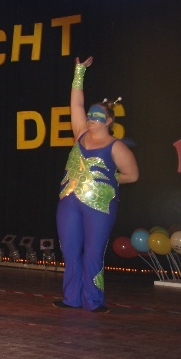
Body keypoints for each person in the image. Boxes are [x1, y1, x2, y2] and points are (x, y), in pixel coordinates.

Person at [54, 57, 139, 313]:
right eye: (90, 115)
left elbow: (132, 175)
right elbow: (76, 104)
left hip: (99, 205)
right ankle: (72, 298)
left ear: (109, 121)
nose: (90, 118)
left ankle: (93, 300)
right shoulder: (80, 134)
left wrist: (107, 180)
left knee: (93, 253)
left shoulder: (117, 147)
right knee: (70, 251)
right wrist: (79, 72)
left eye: (97, 116)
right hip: (69, 201)